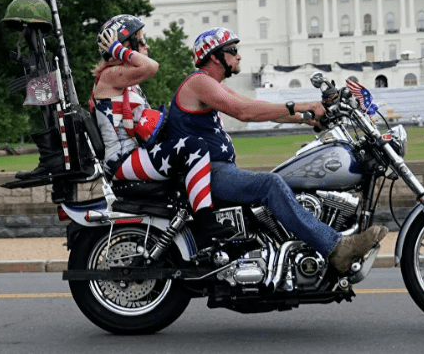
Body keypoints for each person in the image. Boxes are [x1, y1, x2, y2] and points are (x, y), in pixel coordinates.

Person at [163, 27, 387, 273]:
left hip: (216, 171)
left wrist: (306, 117)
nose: (238, 56)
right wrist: (304, 106)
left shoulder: (213, 84)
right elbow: (244, 112)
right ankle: (335, 247)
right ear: (215, 56)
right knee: (271, 184)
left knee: (283, 180)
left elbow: (256, 105)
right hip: (207, 175)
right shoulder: (199, 82)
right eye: (233, 51)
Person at [87, 14, 233, 242]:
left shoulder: (126, 81)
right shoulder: (110, 75)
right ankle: (206, 224)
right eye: (141, 41)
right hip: (122, 160)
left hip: (134, 155)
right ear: (126, 46)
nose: (147, 46)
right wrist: (118, 49)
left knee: (188, 142)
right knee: (194, 148)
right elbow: (152, 66)